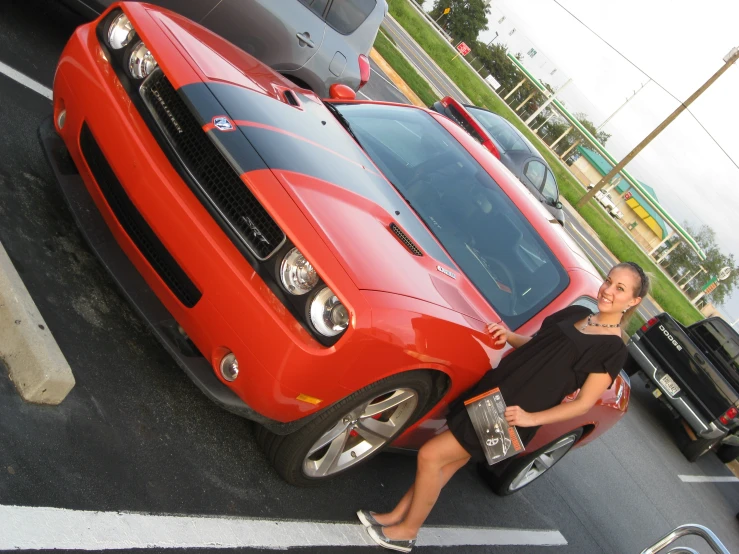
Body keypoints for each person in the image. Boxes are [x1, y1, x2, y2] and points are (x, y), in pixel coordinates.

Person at [358, 262, 650, 552]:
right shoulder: (580, 313)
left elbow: (583, 404)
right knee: (445, 465)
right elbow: (539, 348)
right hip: (494, 392)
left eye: (620, 288)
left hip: (512, 415)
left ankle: (407, 532)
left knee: (431, 456)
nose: (608, 290)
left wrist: (529, 418)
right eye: (609, 280)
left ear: (634, 301)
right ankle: (396, 517)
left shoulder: (612, 350)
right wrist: (510, 337)